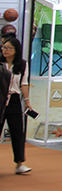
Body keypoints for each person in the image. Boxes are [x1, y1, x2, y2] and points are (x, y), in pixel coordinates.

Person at [2, 37, 30, 174]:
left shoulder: (22, 64)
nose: (5, 50)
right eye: (4, 47)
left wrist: (27, 101)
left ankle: (19, 164)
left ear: (16, 50)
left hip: (14, 100)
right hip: (0, 98)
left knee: (17, 132)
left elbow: (24, 83)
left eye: (9, 48)